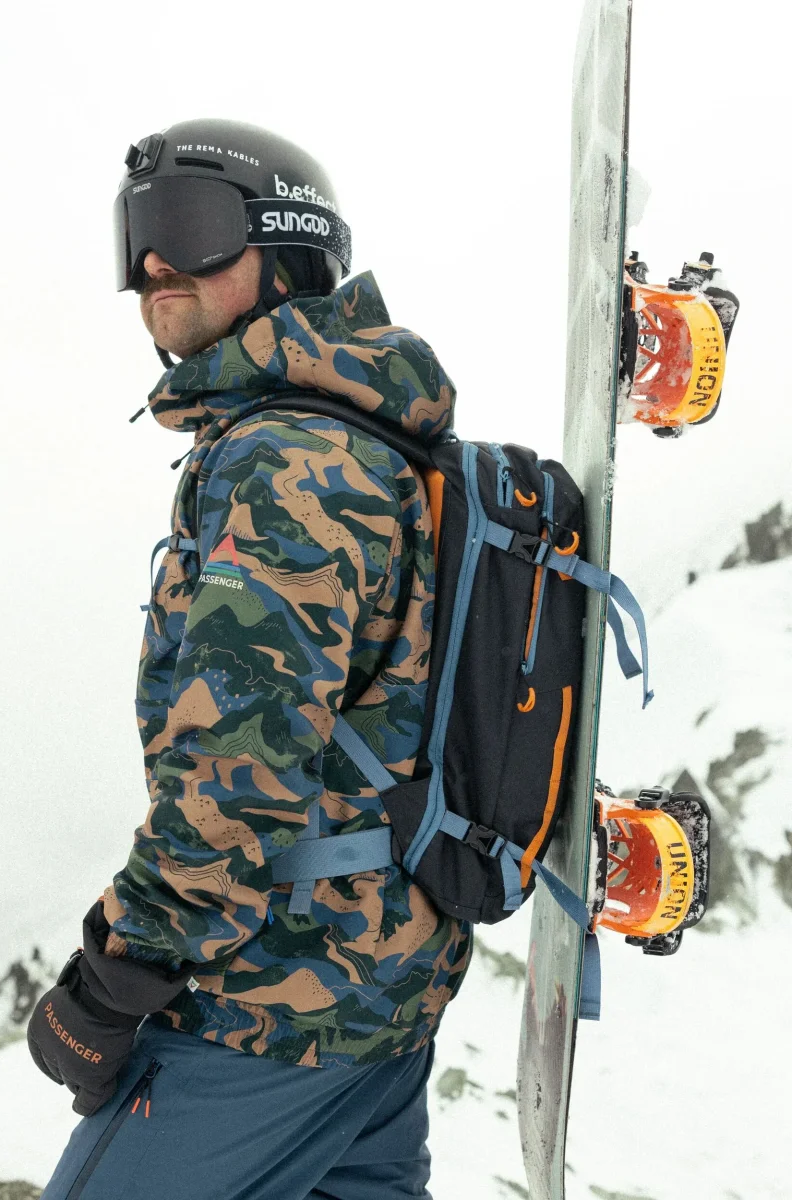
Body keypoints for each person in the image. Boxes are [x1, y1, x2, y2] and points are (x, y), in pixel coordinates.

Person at [28, 117, 471, 1200]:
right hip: (380, 998)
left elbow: (239, 764)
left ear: (286, 248)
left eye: (189, 226)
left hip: (267, 1011)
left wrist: (118, 977)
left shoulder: (286, 461)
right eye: (136, 233)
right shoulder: (363, 437)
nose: (152, 263)